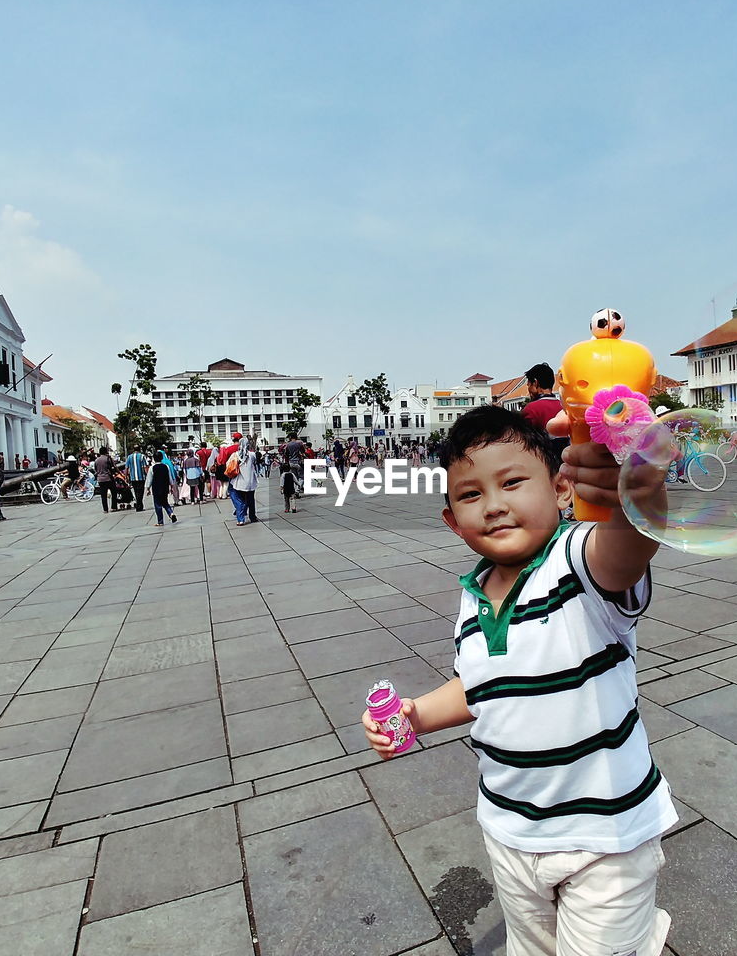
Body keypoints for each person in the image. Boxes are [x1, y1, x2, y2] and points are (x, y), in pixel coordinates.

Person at [362, 406, 676, 955]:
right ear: (452, 521)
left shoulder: (578, 562)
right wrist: (416, 714)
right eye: (471, 494)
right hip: (510, 830)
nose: (495, 505)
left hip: (604, 837)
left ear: (559, 487)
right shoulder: (475, 594)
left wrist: (634, 496)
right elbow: (482, 684)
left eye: (512, 482)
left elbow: (624, 555)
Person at [227, 434, 260, 526]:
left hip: (239, 482)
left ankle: (241, 519)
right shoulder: (252, 455)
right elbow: (254, 463)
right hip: (250, 482)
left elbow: (228, 465)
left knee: (240, 501)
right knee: (251, 500)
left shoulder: (235, 455)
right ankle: (252, 517)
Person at [144, 449, 177, 526]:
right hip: (165, 488)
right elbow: (170, 478)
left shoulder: (152, 468)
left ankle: (160, 521)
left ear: (154, 459)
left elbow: (149, 479)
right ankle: (171, 513)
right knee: (165, 503)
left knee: (157, 504)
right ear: (162, 458)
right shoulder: (166, 466)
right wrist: (171, 486)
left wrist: (148, 488)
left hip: (156, 488)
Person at [281, 431, 306, 513]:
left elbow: (286, 455)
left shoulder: (288, 445)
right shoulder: (299, 443)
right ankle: (297, 491)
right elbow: (303, 452)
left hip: (291, 463)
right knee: (302, 477)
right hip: (298, 462)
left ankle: (296, 491)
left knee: (294, 477)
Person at [125, 447, 149, 513]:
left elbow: (126, 468)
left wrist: (126, 476)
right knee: (140, 492)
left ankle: (139, 505)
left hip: (133, 478)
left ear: (133, 450)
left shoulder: (129, 457)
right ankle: (139, 506)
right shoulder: (142, 456)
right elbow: (145, 467)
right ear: (139, 449)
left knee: (136, 492)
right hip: (141, 477)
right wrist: (148, 475)